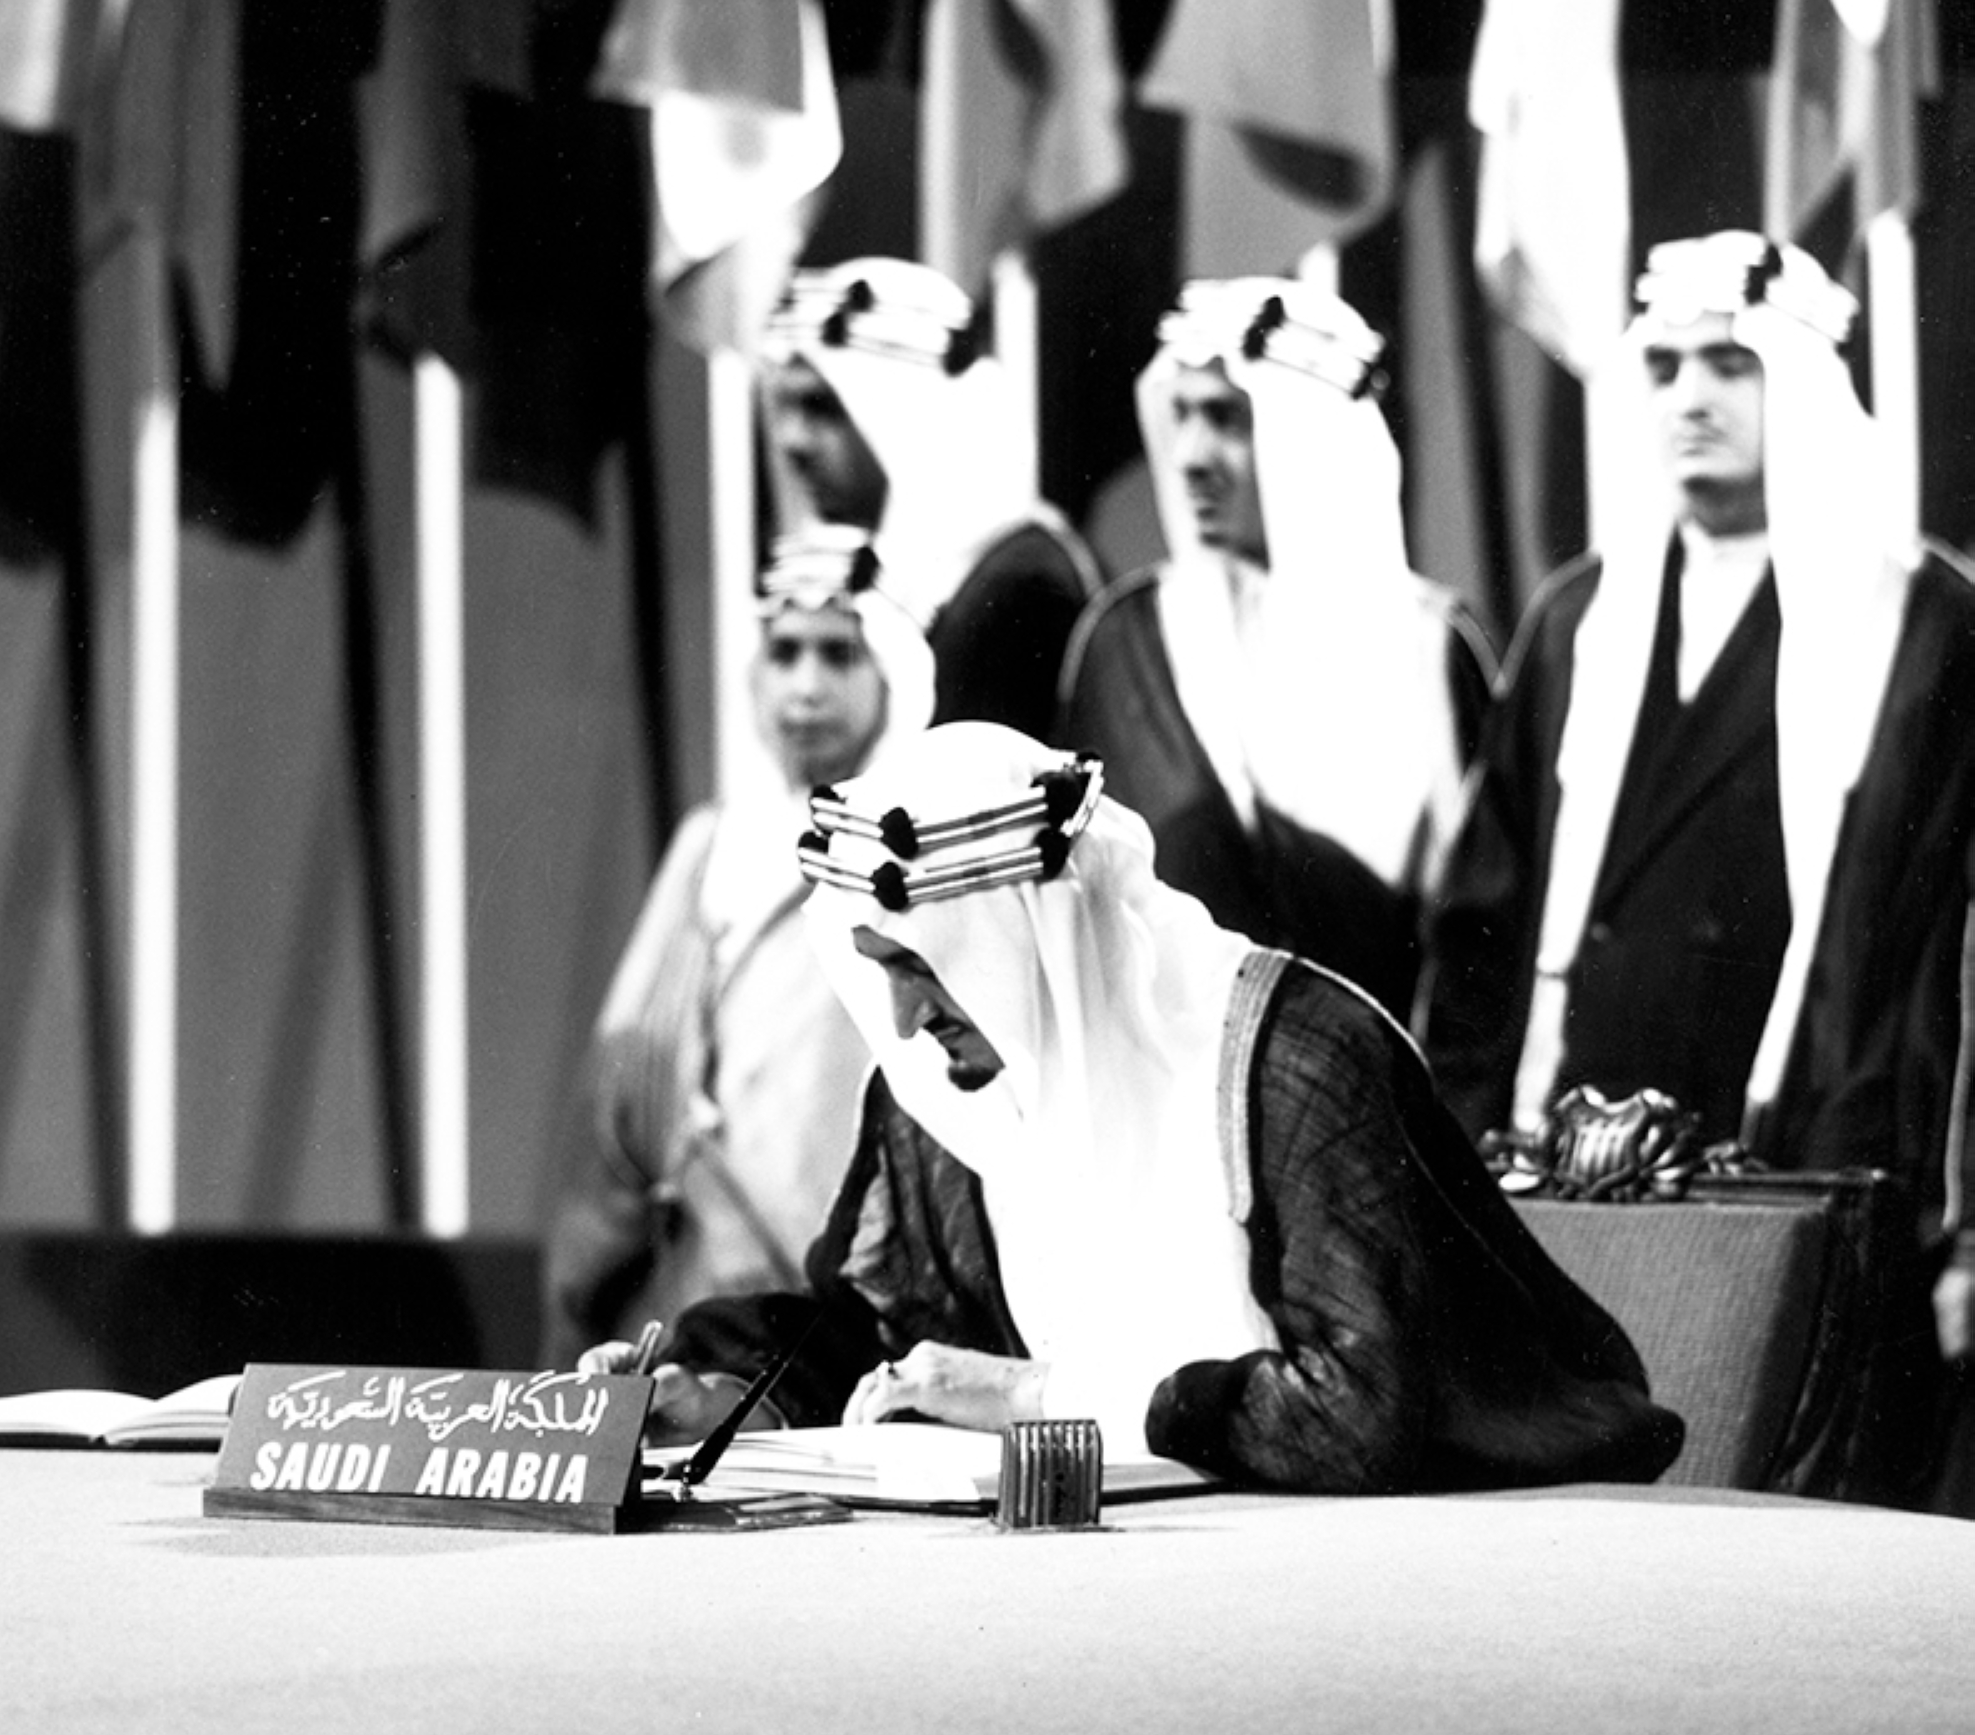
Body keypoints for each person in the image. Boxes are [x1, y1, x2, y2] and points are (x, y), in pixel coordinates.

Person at [608, 722, 1683, 1495]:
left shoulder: (1291, 1060)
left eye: (928, 964)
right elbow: (868, 1327)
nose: (903, 1011)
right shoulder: (938, 1085)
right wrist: (719, 1389)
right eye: (881, 966)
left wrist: (1042, 1397)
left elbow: (1359, 1415)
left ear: (1027, 930)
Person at [1419, 231, 1975, 1409]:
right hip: (1571, 1177)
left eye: (1729, 363)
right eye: (1663, 367)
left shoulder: (1921, 623)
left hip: (1806, 1173)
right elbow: (1480, 919)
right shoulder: (1578, 618)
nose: (1688, 397)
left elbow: (1945, 955)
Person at [540, 529, 934, 1363]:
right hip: (685, 1289)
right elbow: (622, 1086)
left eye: (838, 655)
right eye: (784, 653)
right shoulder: (712, 845)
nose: (807, 687)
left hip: (825, 1311)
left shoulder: (909, 856)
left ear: (891, 674)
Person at [1058, 277, 1492, 1015]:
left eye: (1228, 419)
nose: (1191, 455)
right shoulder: (1125, 638)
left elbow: (1479, 941)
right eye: (1183, 414)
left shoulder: (1431, 647)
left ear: (1313, 439)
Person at [760, 257, 1099, 739]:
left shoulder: (1020, 589)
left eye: (823, 407)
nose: (792, 442)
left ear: (906, 411)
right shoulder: (939, 577)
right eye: (785, 407)